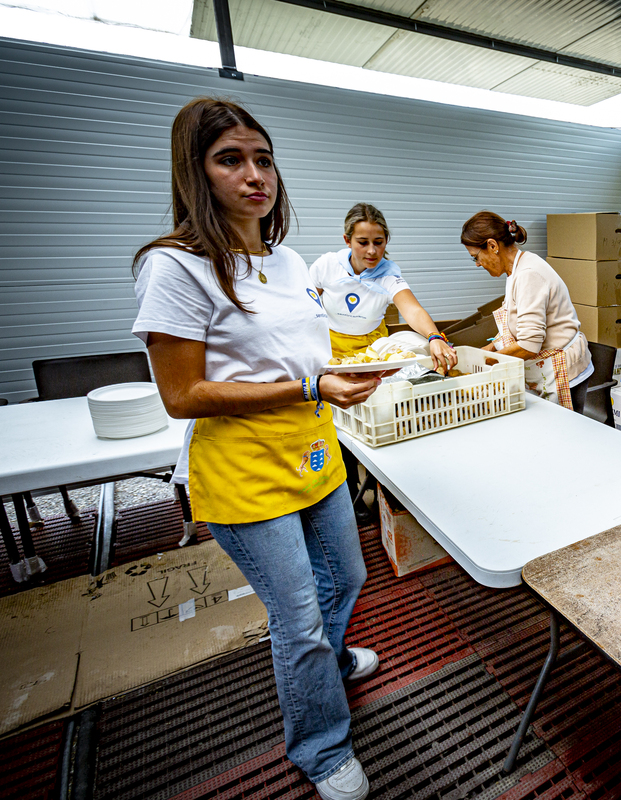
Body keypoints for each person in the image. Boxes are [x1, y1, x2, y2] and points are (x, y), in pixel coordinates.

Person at [130, 98, 379, 800]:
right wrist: (310, 387)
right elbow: (183, 396)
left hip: (312, 452)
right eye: (229, 160)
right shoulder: (175, 267)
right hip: (243, 471)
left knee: (348, 578)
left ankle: (326, 668)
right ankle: (322, 747)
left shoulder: (288, 258)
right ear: (195, 174)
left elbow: (301, 357)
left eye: (263, 159)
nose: (254, 175)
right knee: (296, 615)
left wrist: (334, 380)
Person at [461, 211, 593, 409]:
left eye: (476, 258)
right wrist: (482, 352)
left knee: (560, 434)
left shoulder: (528, 274)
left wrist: (488, 362)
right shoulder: (515, 270)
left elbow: (529, 344)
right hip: (544, 369)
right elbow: (517, 324)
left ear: (492, 246)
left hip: (562, 372)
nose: (478, 264)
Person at [311, 203, 457, 372]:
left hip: (372, 351)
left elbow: (413, 310)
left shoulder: (389, 275)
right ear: (347, 240)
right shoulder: (327, 265)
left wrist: (435, 337)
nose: (372, 251)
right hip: (330, 347)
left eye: (378, 242)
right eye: (363, 243)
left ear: (386, 241)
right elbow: (305, 306)